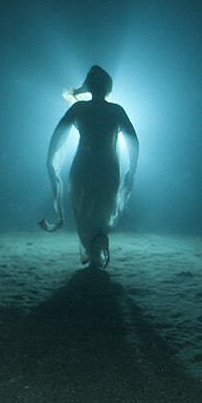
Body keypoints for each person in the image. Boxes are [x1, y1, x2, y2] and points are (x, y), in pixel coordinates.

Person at [39, 65, 139, 268]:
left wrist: (51, 160)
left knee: (84, 209)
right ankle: (98, 247)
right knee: (103, 207)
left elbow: (57, 137)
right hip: (108, 166)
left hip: (84, 166)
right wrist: (131, 169)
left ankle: (94, 251)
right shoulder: (116, 111)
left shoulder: (80, 109)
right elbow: (133, 142)